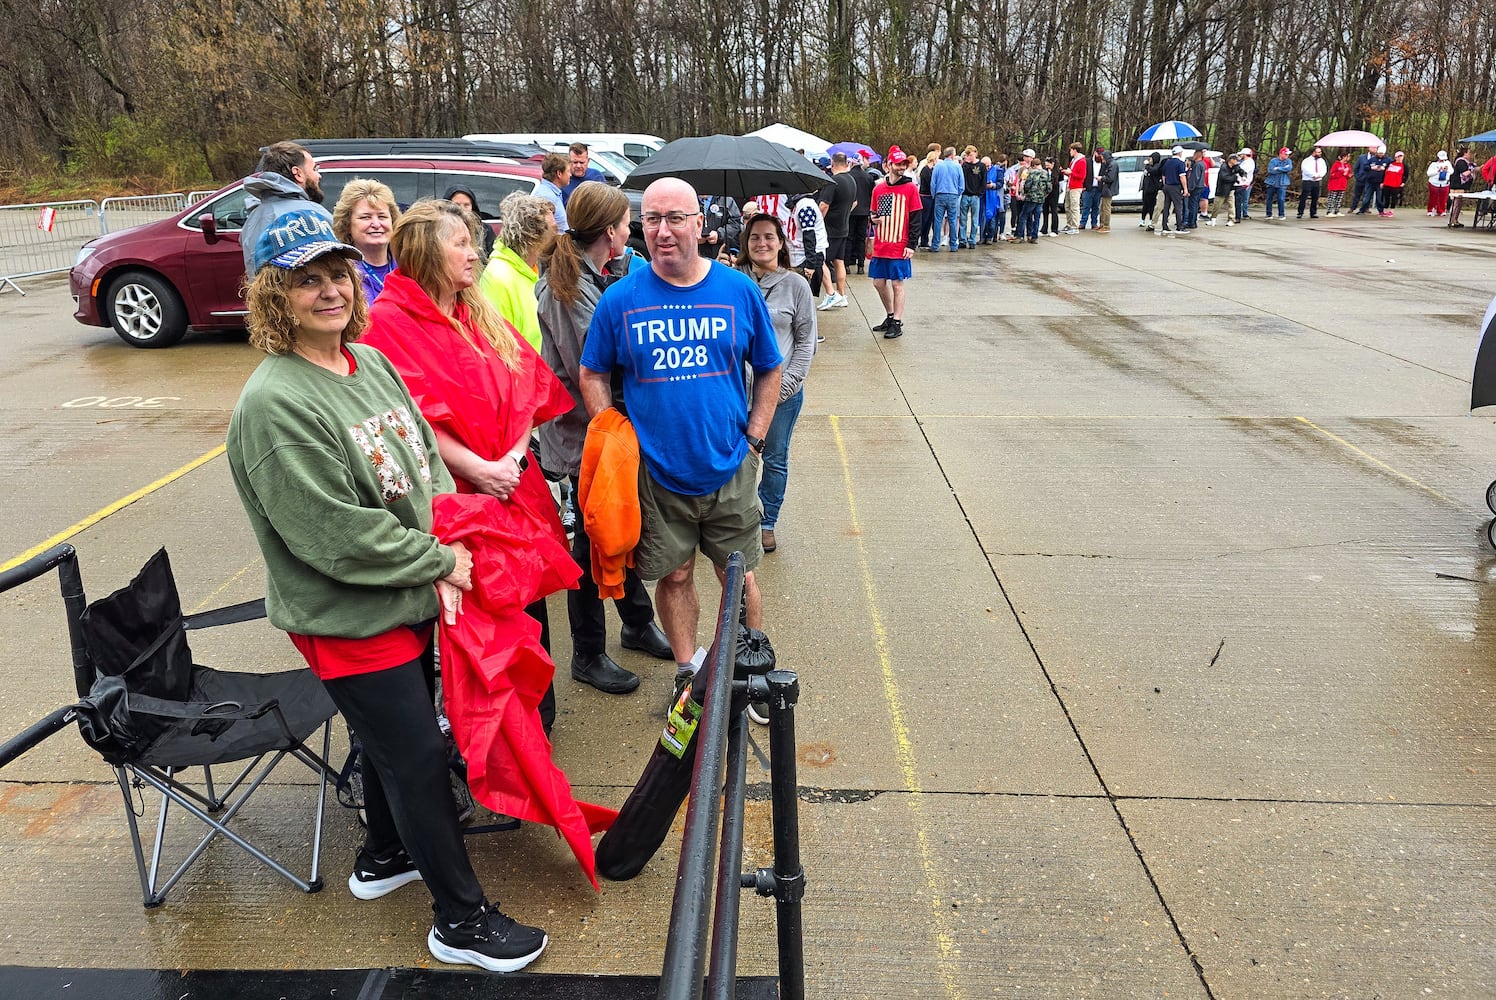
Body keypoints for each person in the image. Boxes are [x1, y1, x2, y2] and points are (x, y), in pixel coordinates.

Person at [226, 207, 549, 973]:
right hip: (349, 615)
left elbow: (427, 466)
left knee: (391, 748)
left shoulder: (367, 363)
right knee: (415, 758)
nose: (331, 290)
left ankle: (382, 854)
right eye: (307, 280)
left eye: (337, 273)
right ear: (274, 296)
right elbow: (333, 535)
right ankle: (459, 921)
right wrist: (438, 564)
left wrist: (446, 538)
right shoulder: (276, 403)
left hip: (406, 590)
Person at [360, 199, 576, 732]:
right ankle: (473, 735)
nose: (473, 252)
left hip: (510, 490)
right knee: (463, 629)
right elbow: (403, 421)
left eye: (471, 241)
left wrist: (513, 457)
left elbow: (528, 388)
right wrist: (479, 468)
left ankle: (531, 726)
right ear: (425, 253)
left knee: (525, 613)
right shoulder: (385, 326)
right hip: (451, 508)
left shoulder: (475, 311)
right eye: (460, 242)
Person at [577, 177, 783, 684]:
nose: (663, 231)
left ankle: (748, 674)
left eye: (674, 219)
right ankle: (689, 673)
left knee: (738, 575)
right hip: (657, 476)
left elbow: (770, 366)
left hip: (730, 465)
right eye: (651, 219)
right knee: (675, 574)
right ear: (640, 226)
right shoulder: (619, 300)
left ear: (699, 223)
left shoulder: (737, 290)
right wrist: (614, 437)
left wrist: (754, 440)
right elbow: (593, 371)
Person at [534, 180, 674, 695]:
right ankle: (588, 652)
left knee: (619, 526)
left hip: (608, 431)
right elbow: (594, 364)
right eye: (626, 222)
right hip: (583, 436)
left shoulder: (598, 274)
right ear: (610, 232)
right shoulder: (566, 289)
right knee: (591, 539)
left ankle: (636, 622)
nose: (633, 229)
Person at [736, 212, 815, 551]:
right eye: (755, 237)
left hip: (782, 396)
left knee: (775, 459)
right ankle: (733, 520)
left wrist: (784, 386)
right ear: (746, 243)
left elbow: (806, 340)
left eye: (769, 237)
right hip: (735, 393)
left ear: (781, 243)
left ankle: (766, 521)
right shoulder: (732, 280)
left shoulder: (795, 285)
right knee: (735, 458)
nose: (762, 243)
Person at [478, 192, 556, 353]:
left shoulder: (534, 268)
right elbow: (500, 348)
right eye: (554, 229)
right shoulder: (498, 278)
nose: (559, 235)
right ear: (534, 238)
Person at [241, 140, 330, 277]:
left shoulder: (252, 219)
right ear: (298, 173)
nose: (319, 176)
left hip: (264, 297)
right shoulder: (313, 214)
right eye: (314, 169)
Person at [868, 145, 923, 335]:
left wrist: (911, 244)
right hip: (882, 243)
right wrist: (873, 219)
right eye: (898, 164)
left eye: (904, 164)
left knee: (897, 283)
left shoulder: (910, 188)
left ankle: (897, 322)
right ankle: (890, 315)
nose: (901, 167)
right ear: (888, 165)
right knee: (878, 282)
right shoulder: (880, 188)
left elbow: (916, 218)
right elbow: (877, 214)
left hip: (900, 244)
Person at [332, 179, 400, 304]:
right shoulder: (340, 273)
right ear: (347, 225)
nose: (376, 224)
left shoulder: (408, 266)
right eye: (365, 217)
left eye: (382, 216)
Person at [817, 152, 858, 305]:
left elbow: (823, 205)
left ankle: (831, 294)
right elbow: (854, 203)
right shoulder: (851, 180)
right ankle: (841, 295)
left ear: (832, 164)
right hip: (843, 227)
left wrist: (817, 224)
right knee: (838, 261)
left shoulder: (833, 181)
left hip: (829, 228)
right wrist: (844, 213)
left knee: (819, 259)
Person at [443, 184, 496, 259]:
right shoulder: (440, 231)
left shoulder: (484, 230)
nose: (462, 209)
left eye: (466, 205)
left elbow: (492, 257)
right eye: (456, 204)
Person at [928, 146, 963, 252]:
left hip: (940, 195)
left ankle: (935, 245)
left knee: (938, 220)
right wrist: (957, 194)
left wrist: (934, 195)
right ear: (952, 155)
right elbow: (961, 185)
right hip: (953, 195)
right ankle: (953, 245)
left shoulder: (938, 166)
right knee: (952, 220)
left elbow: (933, 183)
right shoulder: (957, 167)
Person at [848, 149, 875, 273]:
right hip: (864, 212)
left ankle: (847, 264)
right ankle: (861, 266)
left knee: (849, 238)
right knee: (861, 238)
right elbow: (871, 195)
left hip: (851, 211)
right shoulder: (868, 177)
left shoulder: (848, 176)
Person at [698, 193, 743, 259]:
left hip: (720, 253)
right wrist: (694, 236)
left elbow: (736, 222)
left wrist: (719, 234)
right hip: (694, 254)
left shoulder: (726, 200)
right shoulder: (688, 199)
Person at [1159, 145, 1189, 237]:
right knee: (1178, 206)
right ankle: (1179, 226)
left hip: (1167, 186)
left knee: (1166, 206)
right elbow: (1182, 177)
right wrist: (1185, 189)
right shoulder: (1180, 163)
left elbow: (1163, 176)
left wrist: (1165, 185)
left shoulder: (1167, 162)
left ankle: (1164, 226)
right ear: (1179, 153)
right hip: (1175, 186)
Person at [536, 152, 570, 233]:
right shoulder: (546, 197)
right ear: (559, 173)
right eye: (568, 171)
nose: (570, 175)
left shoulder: (554, 193)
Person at [959, 145, 984, 248]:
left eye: (971, 154)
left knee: (974, 219)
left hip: (975, 196)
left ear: (975, 153)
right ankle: (963, 239)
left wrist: (979, 193)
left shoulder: (981, 166)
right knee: (963, 219)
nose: (970, 156)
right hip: (965, 195)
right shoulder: (965, 166)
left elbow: (983, 181)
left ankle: (972, 239)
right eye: (968, 155)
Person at [916, 145, 940, 249]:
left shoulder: (932, 170)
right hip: (925, 197)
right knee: (924, 219)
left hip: (930, 197)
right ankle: (918, 239)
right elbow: (930, 183)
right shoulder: (925, 170)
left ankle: (924, 240)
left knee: (929, 219)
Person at [1212, 153, 1242, 226]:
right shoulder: (1224, 167)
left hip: (1231, 188)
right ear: (1231, 160)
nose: (1236, 162)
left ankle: (1231, 219)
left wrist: (1243, 175)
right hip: (1222, 189)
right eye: (1235, 160)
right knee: (1217, 205)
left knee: (1231, 205)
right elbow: (1224, 178)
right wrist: (1235, 178)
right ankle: (1213, 218)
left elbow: (1241, 171)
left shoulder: (1235, 167)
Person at [1263, 147, 1292, 219]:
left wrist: (1278, 168)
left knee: (1281, 199)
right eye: (1285, 154)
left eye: (1287, 154)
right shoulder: (1273, 161)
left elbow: (1289, 168)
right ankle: (1269, 214)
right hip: (1272, 182)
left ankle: (1281, 214)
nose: (1287, 156)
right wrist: (1283, 169)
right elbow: (1271, 170)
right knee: (1269, 199)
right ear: (1281, 154)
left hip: (1282, 183)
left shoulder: (1288, 161)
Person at [1298, 147, 1327, 219]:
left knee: (1315, 197)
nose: (1320, 154)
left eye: (1320, 152)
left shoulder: (1322, 161)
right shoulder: (1307, 161)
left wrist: (1320, 175)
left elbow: (1324, 169)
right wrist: (1313, 175)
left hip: (1317, 181)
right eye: (1318, 152)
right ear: (1314, 152)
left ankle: (1313, 212)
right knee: (1304, 197)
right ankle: (1300, 212)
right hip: (1308, 180)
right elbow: (1305, 170)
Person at [1449, 146, 1475, 227]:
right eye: (1469, 152)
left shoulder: (1466, 162)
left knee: (1459, 203)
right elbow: (1465, 173)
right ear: (1465, 153)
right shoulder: (1461, 162)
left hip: (1461, 186)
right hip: (1457, 185)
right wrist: (1472, 170)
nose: (1470, 154)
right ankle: (1452, 220)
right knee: (1456, 203)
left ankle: (1455, 220)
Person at [1063, 142, 1086, 234]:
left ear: (1075, 150)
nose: (1070, 152)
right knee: (1067, 206)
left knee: (1074, 206)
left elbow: (1082, 176)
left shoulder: (1081, 161)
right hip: (1070, 185)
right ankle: (1069, 224)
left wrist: (1071, 173)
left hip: (1076, 187)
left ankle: (1075, 226)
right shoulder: (1073, 160)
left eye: (1071, 150)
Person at [1096, 148, 1118, 232]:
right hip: (1104, 188)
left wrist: (1101, 178)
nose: (1102, 159)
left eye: (1102, 157)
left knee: (1106, 208)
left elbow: (1110, 178)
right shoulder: (1107, 164)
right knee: (1102, 208)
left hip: (1109, 189)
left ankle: (1106, 225)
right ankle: (1101, 224)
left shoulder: (1113, 164)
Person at [1040, 155, 1062, 237]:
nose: (1047, 167)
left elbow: (1061, 183)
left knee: (1054, 210)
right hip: (1045, 193)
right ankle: (1044, 229)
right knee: (1045, 211)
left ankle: (1054, 229)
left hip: (1054, 193)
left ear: (1053, 164)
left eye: (1048, 165)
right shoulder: (1044, 171)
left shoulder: (1058, 172)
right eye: (1046, 165)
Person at [1140, 151, 1163, 229]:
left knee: (1151, 205)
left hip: (1153, 189)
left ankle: (1151, 220)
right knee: (1145, 205)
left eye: (1151, 158)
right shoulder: (1150, 166)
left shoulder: (1157, 166)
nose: (1149, 160)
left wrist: (1147, 165)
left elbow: (1153, 171)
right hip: (1146, 188)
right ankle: (1142, 219)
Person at [1426, 150, 1453, 217]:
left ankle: (1441, 210)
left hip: (1444, 183)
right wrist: (1437, 171)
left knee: (1443, 198)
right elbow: (1429, 173)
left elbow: (1452, 171)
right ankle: (1431, 209)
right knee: (1433, 197)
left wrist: (1447, 170)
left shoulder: (1448, 163)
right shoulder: (1433, 164)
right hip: (1434, 183)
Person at [1234, 148, 1256, 221]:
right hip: (1239, 183)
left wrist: (1235, 166)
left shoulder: (1249, 162)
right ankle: (1237, 215)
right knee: (1238, 200)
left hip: (1243, 183)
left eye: (1241, 154)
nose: (1240, 156)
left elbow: (1241, 171)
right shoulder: (1244, 162)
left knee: (1241, 200)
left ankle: (1239, 216)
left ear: (1245, 155)